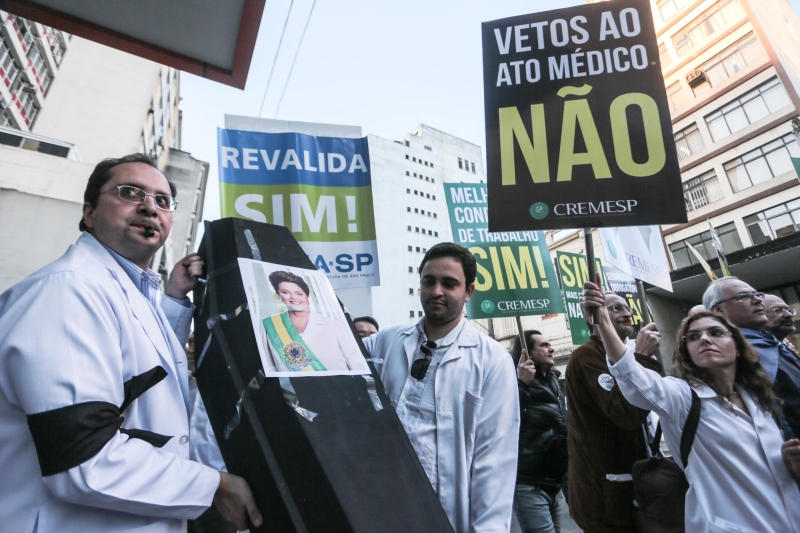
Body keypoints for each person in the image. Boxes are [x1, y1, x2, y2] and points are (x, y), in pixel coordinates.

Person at [0, 154, 261, 533]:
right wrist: (213, 485)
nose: (149, 207)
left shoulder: (126, 291)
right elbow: (84, 460)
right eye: (130, 192)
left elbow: (146, 367)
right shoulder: (68, 289)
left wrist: (174, 298)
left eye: (162, 201)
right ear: (89, 212)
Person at [583, 275, 800, 533]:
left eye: (716, 333)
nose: (705, 339)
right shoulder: (683, 398)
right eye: (694, 337)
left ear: (737, 347)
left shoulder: (759, 398)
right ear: (688, 353)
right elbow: (632, 374)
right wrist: (603, 321)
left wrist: (790, 465)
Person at [363, 243, 519, 533]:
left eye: (449, 284)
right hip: (382, 503)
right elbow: (333, 354)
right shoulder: (387, 340)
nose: (436, 291)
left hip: (442, 514)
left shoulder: (492, 360)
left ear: (468, 291)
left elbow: (494, 459)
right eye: (429, 281)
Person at [566, 292, 662, 533]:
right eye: (616, 308)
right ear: (593, 318)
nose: (627, 313)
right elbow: (625, 414)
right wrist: (641, 359)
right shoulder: (587, 356)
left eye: (627, 308)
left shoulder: (625, 355)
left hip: (630, 489)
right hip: (605, 500)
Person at [704, 277, 800, 438]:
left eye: (757, 294)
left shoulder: (773, 344)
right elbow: (767, 409)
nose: (758, 300)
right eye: (743, 296)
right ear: (718, 310)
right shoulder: (728, 353)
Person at [511, 330, 568, 533]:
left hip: (554, 483)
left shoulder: (552, 381)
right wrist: (521, 384)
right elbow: (506, 419)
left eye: (549, 344)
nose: (550, 348)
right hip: (529, 484)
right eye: (543, 345)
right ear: (527, 353)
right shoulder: (513, 381)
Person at [261, 270, 367, 373]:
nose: (293, 297)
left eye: (298, 293)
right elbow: (269, 366)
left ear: (307, 296)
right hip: (291, 385)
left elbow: (355, 363)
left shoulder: (334, 325)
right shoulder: (270, 325)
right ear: (279, 295)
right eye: (285, 292)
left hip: (336, 384)